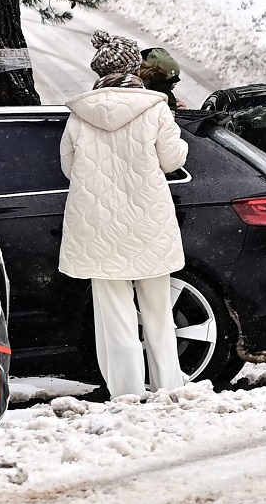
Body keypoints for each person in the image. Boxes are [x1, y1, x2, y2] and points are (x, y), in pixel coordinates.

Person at [59, 31, 189, 398]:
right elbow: (172, 160)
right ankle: (168, 386)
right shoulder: (155, 107)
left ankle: (127, 392)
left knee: (115, 317)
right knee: (159, 313)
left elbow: (69, 168)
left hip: (97, 225)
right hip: (148, 220)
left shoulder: (79, 114)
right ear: (135, 66)